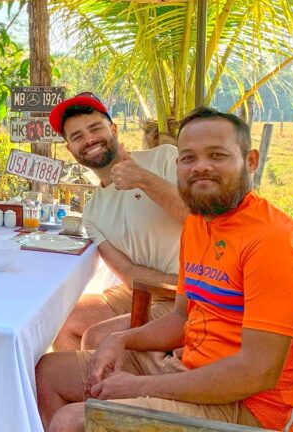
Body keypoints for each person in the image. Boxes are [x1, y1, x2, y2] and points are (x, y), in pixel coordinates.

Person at [35, 107, 293, 432]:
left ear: (251, 161)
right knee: (48, 373)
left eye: (217, 155)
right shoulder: (200, 226)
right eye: (189, 159)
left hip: (248, 408)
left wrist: (139, 388)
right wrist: (121, 339)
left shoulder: (275, 242)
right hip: (189, 369)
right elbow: (181, 319)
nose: (201, 167)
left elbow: (256, 373)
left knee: (72, 421)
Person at [48, 93, 189, 350]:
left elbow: (200, 218)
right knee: (59, 321)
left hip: (193, 297)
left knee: (96, 338)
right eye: (77, 136)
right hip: (144, 292)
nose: (89, 140)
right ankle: (85, 388)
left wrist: (143, 179)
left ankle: (112, 386)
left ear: (113, 129)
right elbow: (128, 275)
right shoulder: (92, 211)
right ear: (70, 149)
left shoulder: (165, 158)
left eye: (95, 128)